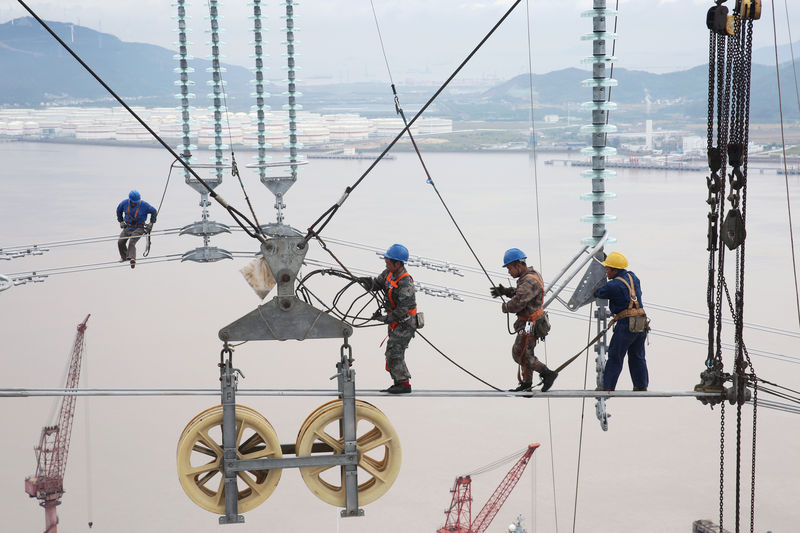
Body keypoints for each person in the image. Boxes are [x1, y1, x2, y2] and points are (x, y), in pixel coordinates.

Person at [490, 248, 558, 392]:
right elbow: (523, 294)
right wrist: (507, 291)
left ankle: (547, 373)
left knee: (519, 353)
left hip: (530, 324)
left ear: (517, 265)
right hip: (531, 321)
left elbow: (517, 304)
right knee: (526, 353)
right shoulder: (530, 276)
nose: (509, 272)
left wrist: (506, 307)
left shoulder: (528, 281)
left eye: (509, 268)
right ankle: (527, 383)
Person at [358, 243, 417, 394]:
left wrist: (384, 319)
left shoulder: (405, 283)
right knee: (392, 351)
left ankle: (403, 384)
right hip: (395, 322)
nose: (386, 264)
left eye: (388, 262)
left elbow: (403, 311)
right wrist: (366, 282)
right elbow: (378, 284)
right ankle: (399, 382)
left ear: (398, 263)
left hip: (405, 323)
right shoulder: (388, 274)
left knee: (394, 351)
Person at [593, 251, 649, 391]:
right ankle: (641, 385)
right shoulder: (633, 277)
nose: (606, 271)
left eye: (607, 268)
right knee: (637, 355)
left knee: (615, 355)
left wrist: (595, 286)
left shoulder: (614, 285)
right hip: (641, 322)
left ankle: (608, 387)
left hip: (626, 324)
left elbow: (599, 292)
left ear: (615, 269)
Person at [116, 190, 157, 269]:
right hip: (128, 227)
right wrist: (121, 221)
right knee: (120, 241)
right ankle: (124, 257)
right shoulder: (124, 203)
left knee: (132, 241)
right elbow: (118, 210)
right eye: (134, 202)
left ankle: (132, 259)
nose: (135, 203)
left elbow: (154, 211)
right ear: (130, 200)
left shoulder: (144, 205)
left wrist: (151, 223)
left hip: (139, 227)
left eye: (136, 202)